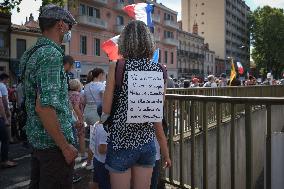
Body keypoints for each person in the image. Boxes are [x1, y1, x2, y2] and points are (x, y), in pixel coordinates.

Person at [102, 20, 171, 189]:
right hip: (146, 144)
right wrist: (166, 152)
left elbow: (106, 109)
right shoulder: (160, 70)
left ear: (124, 42)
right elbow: (157, 114)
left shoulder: (117, 67)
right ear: (149, 42)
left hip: (120, 142)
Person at [19, 4, 77, 189]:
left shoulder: (31, 53)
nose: (69, 31)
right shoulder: (50, 54)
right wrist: (65, 147)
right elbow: (44, 107)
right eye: (69, 26)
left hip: (39, 142)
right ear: (60, 25)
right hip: (53, 147)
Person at [0, 83, 17, 168]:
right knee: (5, 139)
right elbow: (1, 104)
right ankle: (5, 160)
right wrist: (6, 118)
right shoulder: (2, 86)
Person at [89, 122, 110, 189]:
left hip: (97, 160)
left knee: (96, 182)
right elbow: (102, 150)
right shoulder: (104, 129)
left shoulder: (97, 124)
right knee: (105, 185)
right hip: (103, 163)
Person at [68, 79, 85, 159]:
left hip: (69, 118)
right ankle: (82, 154)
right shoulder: (77, 94)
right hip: (76, 118)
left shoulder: (68, 94)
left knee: (71, 136)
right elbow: (76, 107)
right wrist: (81, 118)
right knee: (81, 135)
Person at [0, 73, 12, 142]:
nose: (7, 81)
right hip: (4, 109)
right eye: (7, 79)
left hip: (1, 110)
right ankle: (9, 139)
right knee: (8, 125)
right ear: (4, 79)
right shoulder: (3, 86)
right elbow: (4, 99)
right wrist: (7, 110)